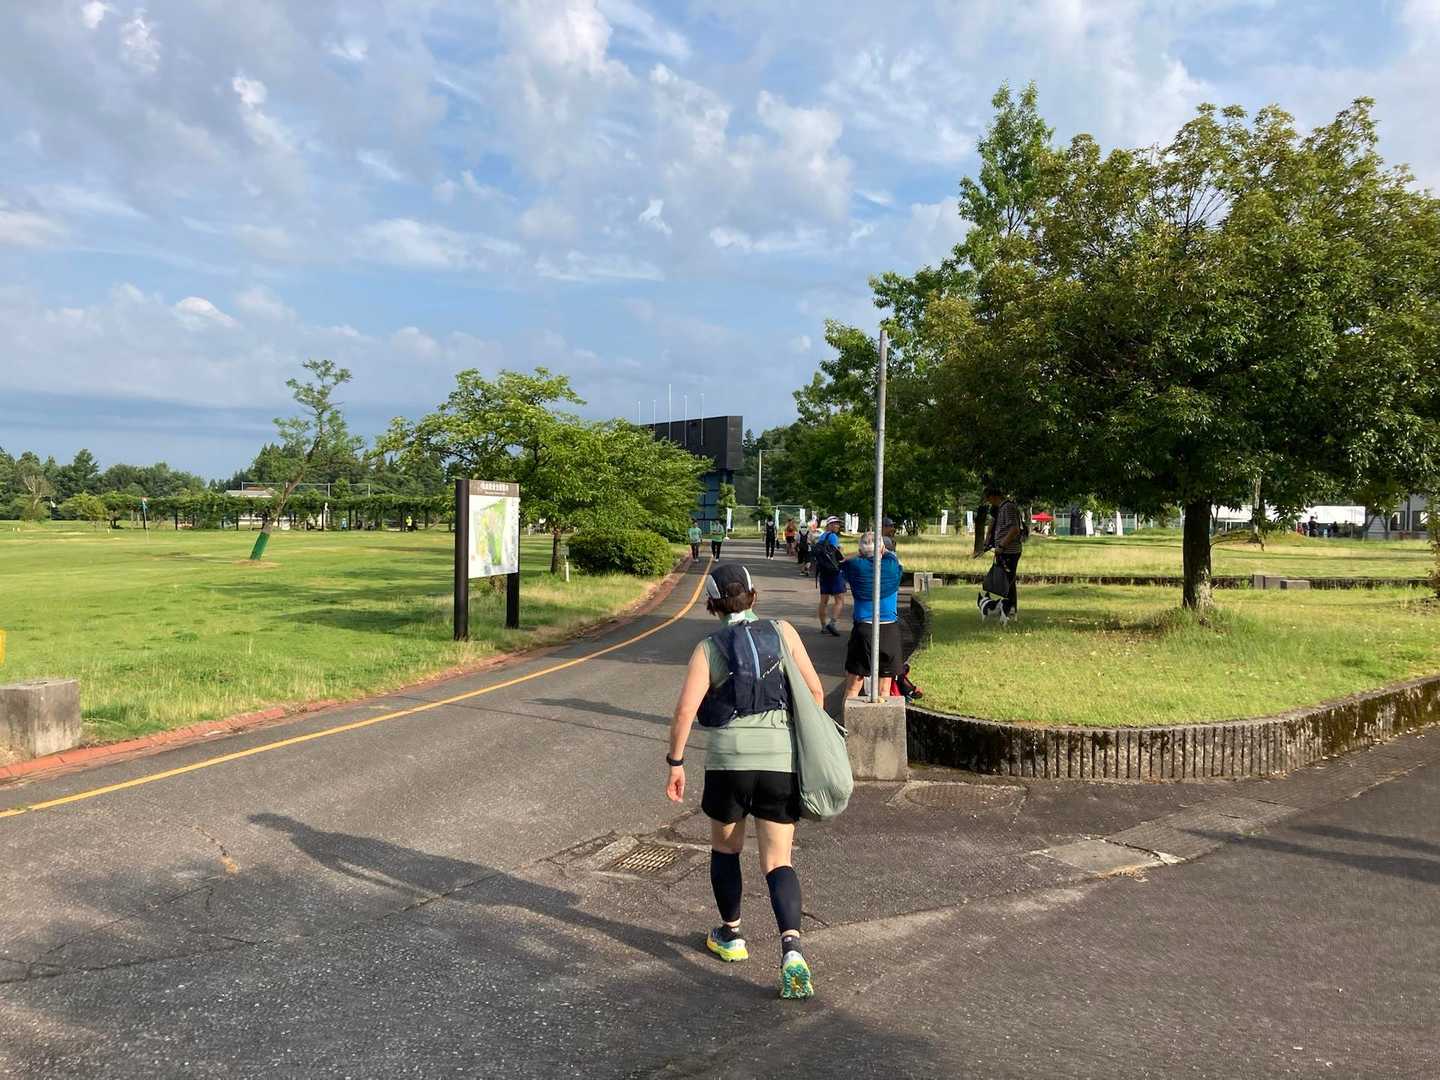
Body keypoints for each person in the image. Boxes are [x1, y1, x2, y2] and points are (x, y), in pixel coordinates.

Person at [665, 564, 826, 999]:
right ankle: (792, 950)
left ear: (712, 603)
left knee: (726, 849)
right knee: (778, 861)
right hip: (779, 760)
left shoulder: (708, 648)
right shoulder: (784, 632)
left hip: (728, 763)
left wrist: (676, 762)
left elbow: (685, 711)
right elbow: (815, 693)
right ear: (754, 595)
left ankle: (731, 935)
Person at [839, 531, 902, 698]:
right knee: (884, 690)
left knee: (853, 688)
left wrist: (860, 553)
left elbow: (842, 562)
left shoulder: (855, 566)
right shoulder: (892, 564)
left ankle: (846, 715)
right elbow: (890, 555)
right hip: (889, 629)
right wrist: (881, 550)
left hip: (864, 629)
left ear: (861, 551)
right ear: (881, 549)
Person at [975, 487, 1024, 619]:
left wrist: (1002, 545)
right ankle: (1009, 610)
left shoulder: (1008, 507)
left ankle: (1010, 611)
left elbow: (1014, 529)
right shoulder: (1001, 508)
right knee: (1005, 582)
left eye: (988, 498)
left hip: (1010, 551)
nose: (988, 501)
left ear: (994, 496)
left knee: (1008, 582)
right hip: (1004, 551)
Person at [813, 516, 847, 636]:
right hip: (834, 572)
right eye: (835, 524)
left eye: (838, 524)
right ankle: (832, 623)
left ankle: (823, 626)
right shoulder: (833, 537)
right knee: (840, 599)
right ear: (829, 525)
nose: (837, 526)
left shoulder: (822, 536)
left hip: (823, 572)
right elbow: (837, 555)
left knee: (823, 601)